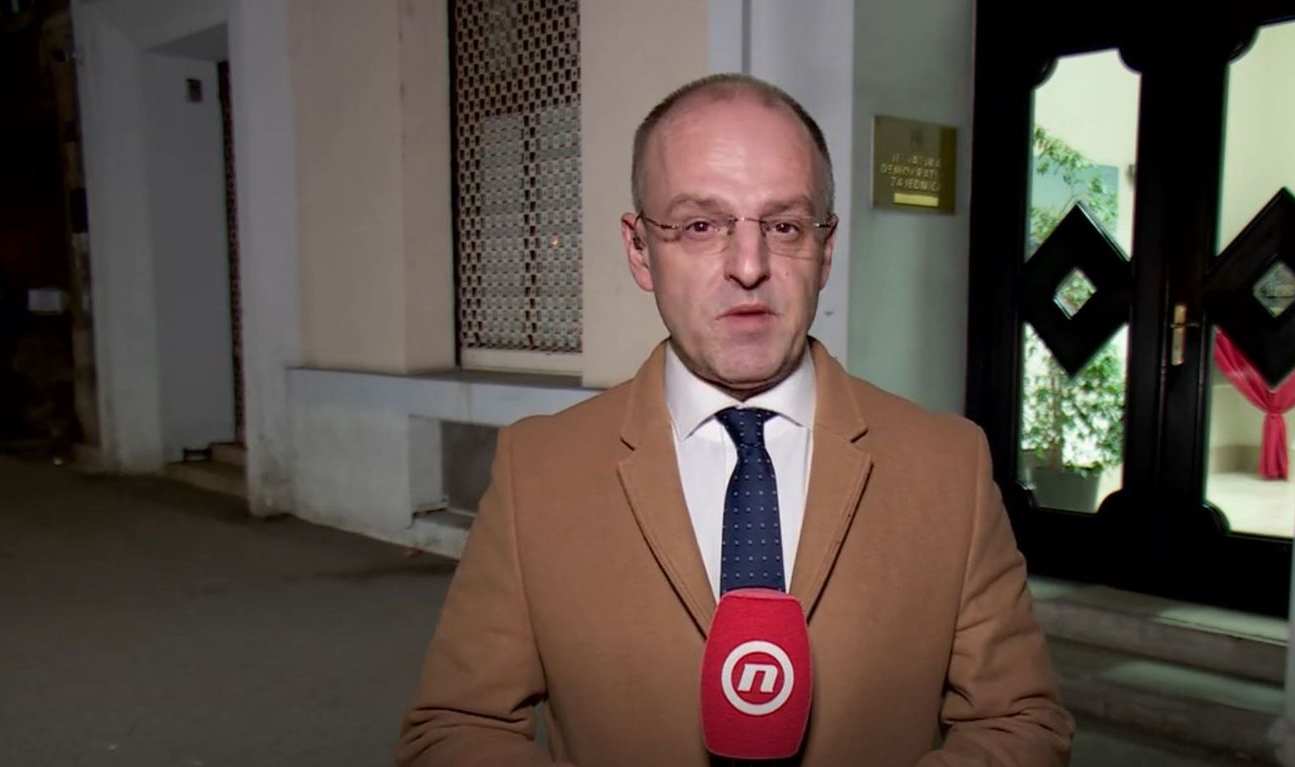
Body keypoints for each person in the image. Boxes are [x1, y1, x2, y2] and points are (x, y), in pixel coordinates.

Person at [396, 73, 1073, 766]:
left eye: (784, 226)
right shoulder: (537, 471)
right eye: (700, 225)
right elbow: (455, 728)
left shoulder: (948, 467)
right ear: (639, 250)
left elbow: (1020, 722)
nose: (749, 266)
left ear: (825, 250)